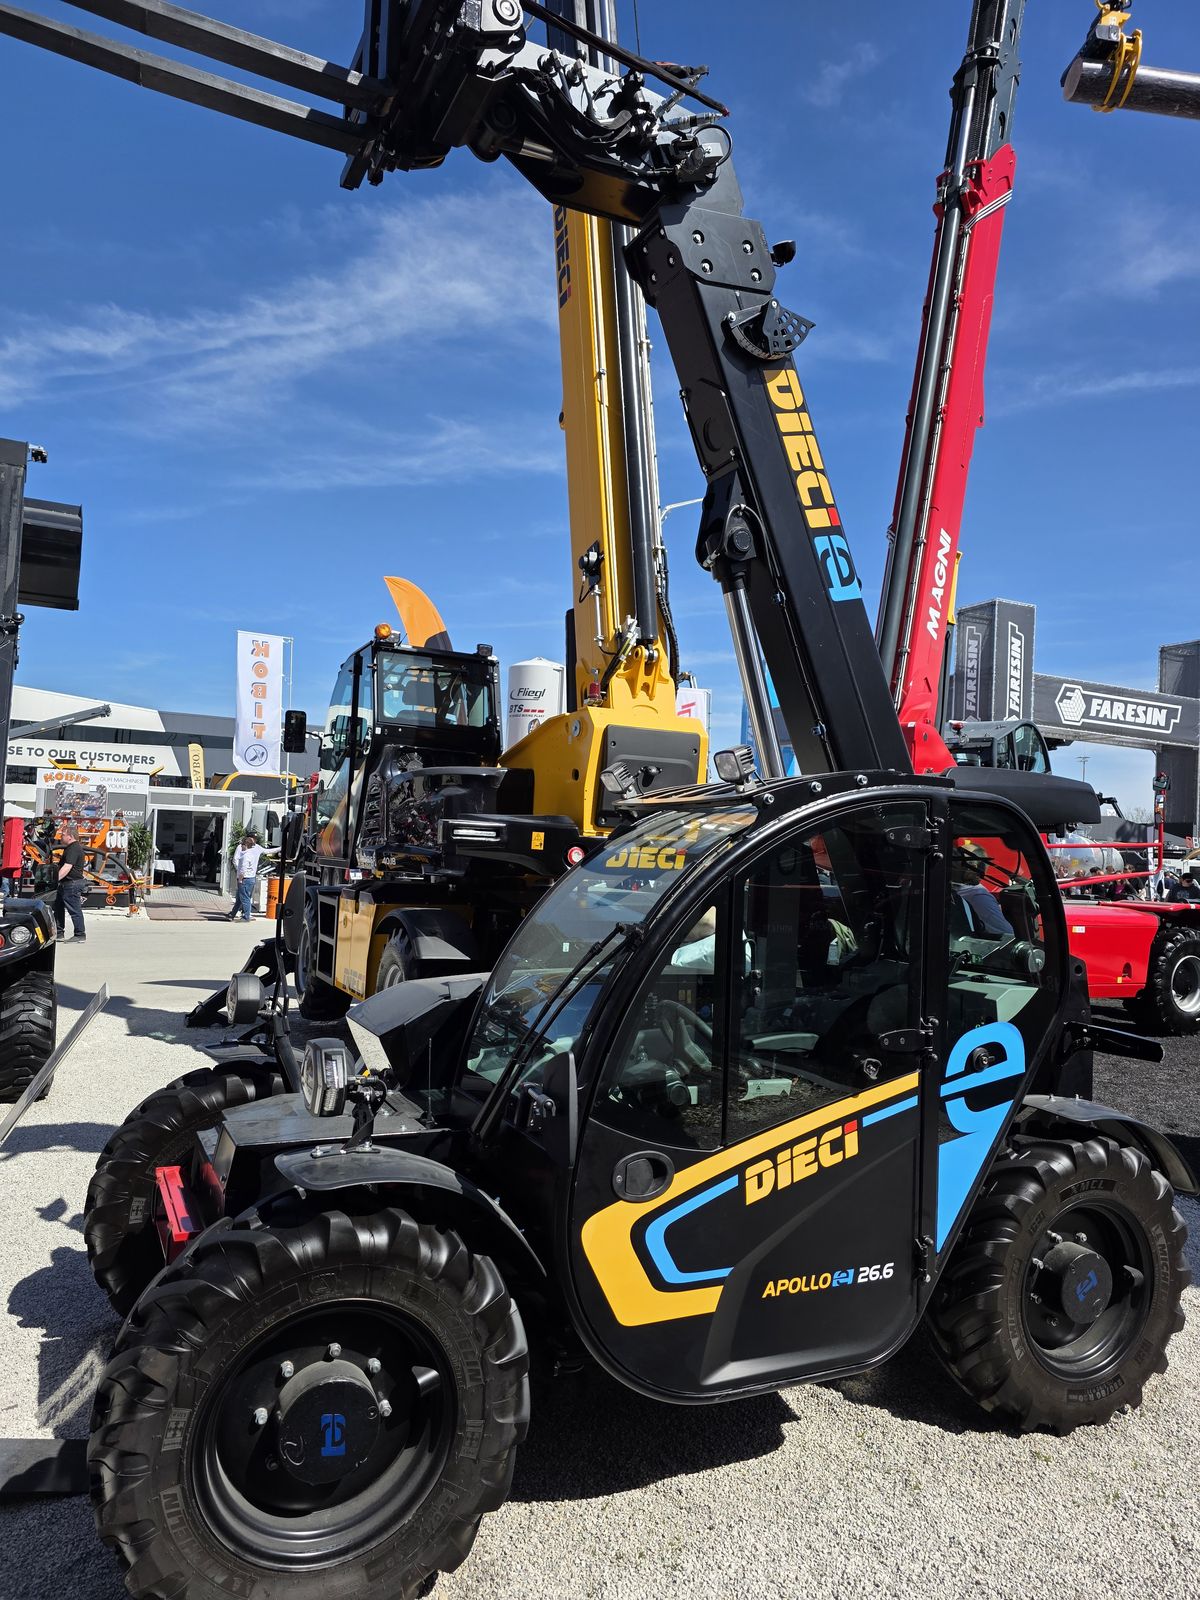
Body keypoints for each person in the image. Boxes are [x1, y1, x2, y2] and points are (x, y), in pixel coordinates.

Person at [55, 821, 87, 942]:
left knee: (74, 910)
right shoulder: (70, 848)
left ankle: (80, 934)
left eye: (63, 834)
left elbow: (67, 867)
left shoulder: (74, 848)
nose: (61, 836)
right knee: (58, 908)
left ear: (70, 836)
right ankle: (59, 933)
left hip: (72, 883)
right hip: (65, 883)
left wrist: (55, 880)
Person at [229, 829, 264, 922]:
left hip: (245, 878)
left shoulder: (246, 854)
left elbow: (243, 868)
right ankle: (233, 914)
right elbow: (236, 861)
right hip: (249, 877)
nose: (242, 846)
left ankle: (246, 916)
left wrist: (240, 878)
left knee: (244, 898)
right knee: (240, 897)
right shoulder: (246, 851)